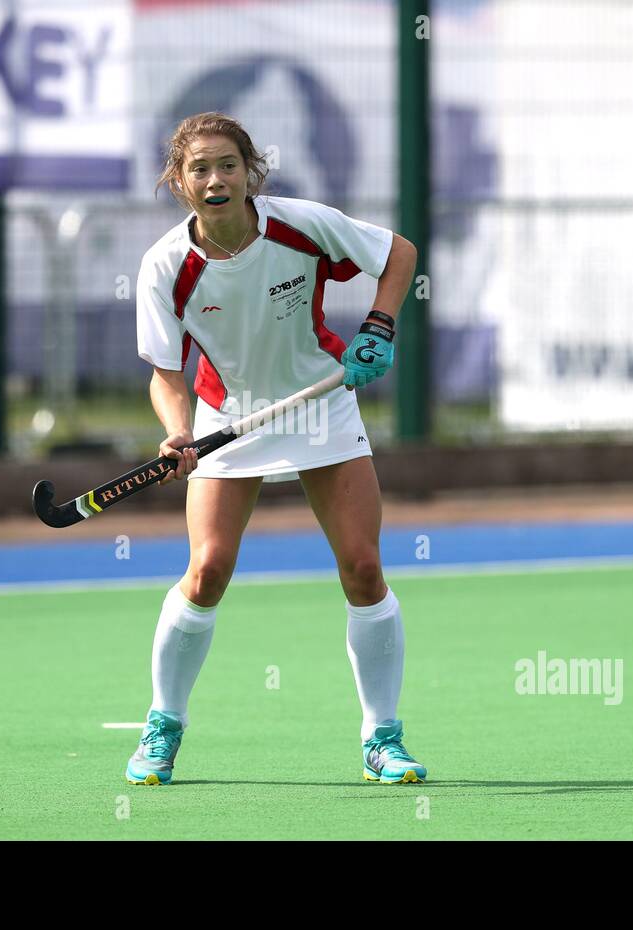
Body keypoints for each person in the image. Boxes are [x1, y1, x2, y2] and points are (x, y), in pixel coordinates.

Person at [128, 111, 425, 785]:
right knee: (206, 572)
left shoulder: (299, 224)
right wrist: (178, 431)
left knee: (362, 567)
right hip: (227, 414)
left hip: (320, 400)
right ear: (178, 182)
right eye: (198, 168)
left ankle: (383, 736)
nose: (215, 179)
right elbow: (166, 374)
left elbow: (397, 253)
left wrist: (378, 326)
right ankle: (163, 725)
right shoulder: (166, 267)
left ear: (249, 172)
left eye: (227, 165)